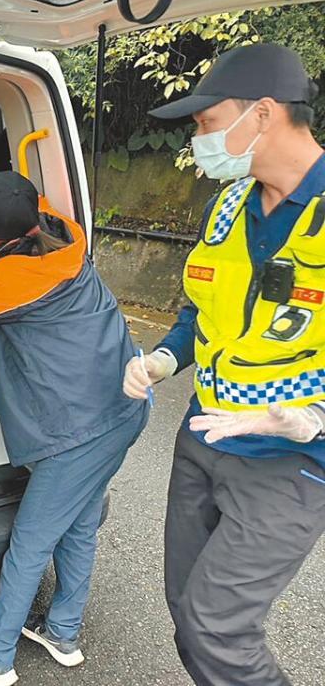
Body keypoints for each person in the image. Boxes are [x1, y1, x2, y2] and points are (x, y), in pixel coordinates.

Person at [122, 43, 325, 686]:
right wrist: (161, 359)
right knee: (188, 613)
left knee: (220, 627)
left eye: (207, 122)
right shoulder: (231, 204)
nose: (199, 138)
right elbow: (201, 309)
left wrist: (312, 418)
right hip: (205, 433)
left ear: (262, 114)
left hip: (289, 462)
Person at [0, 172, 149, 686]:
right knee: (76, 527)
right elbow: (11, 190)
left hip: (78, 430)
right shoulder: (63, 233)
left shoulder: (2, 287)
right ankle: (62, 632)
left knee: (32, 540)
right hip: (125, 408)